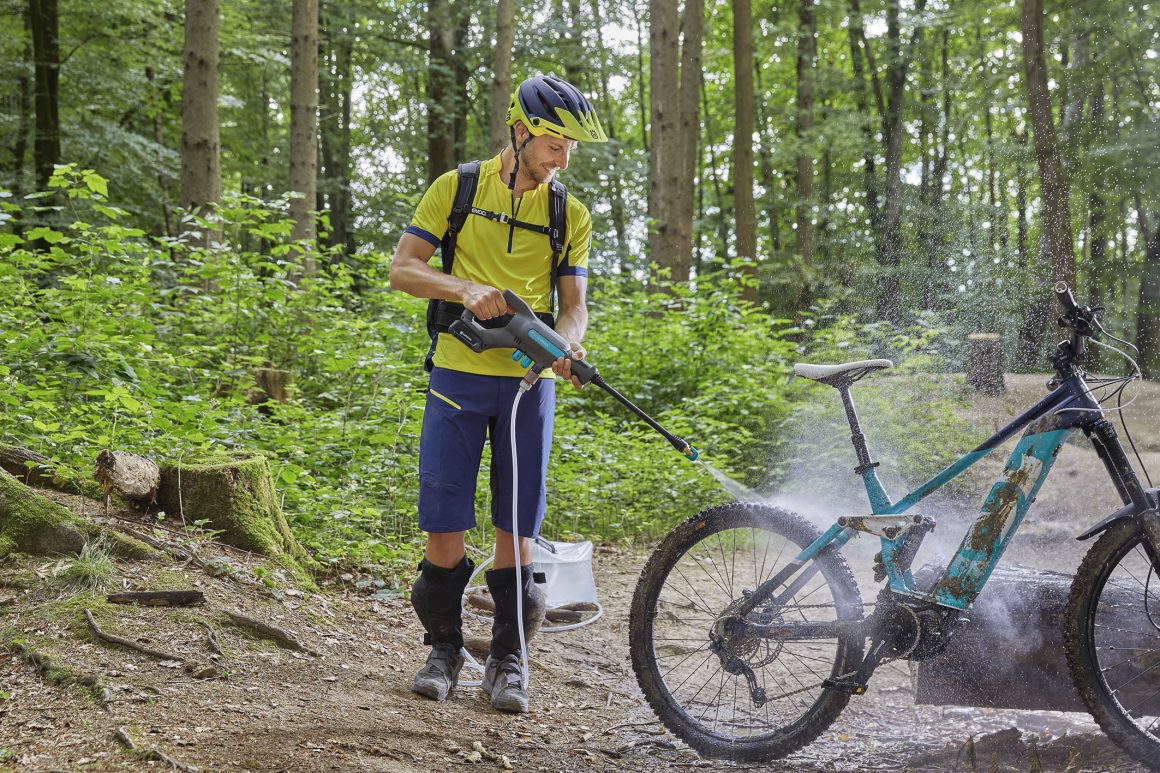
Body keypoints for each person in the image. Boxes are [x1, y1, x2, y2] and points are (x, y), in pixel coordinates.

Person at [388, 75, 607, 713]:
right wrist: (463, 289)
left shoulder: (570, 214)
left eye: (569, 149)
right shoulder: (456, 189)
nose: (562, 159)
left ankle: (509, 659)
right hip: (456, 378)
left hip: (526, 387)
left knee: (516, 532)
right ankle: (445, 649)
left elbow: (575, 309)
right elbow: (403, 269)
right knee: (444, 525)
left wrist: (564, 347)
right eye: (552, 145)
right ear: (519, 132)